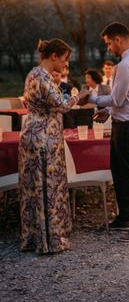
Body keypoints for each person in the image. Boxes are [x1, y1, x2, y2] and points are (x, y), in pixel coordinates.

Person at [19, 39, 90, 254]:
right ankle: (50, 240)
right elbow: (61, 105)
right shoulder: (43, 77)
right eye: (64, 59)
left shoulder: (33, 73)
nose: (65, 64)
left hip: (32, 132)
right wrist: (80, 96)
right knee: (47, 185)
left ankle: (34, 237)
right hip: (43, 137)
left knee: (34, 186)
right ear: (53, 57)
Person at [88, 22, 129, 243]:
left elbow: (118, 99)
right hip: (123, 121)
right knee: (118, 170)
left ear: (118, 40)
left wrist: (92, 99)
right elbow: (125, 98)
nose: (108, 49)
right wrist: (108, 111)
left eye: (108, 44)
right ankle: (124, 216)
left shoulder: (124, 65)